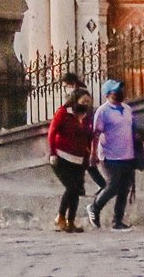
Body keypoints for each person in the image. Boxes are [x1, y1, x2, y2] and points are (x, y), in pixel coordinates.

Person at [87, 81, 138, 230]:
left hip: (127, 154)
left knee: (125, 188)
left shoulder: (127, 109)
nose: (120, 93)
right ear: (108, 94)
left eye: (121, 90)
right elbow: (96, 134)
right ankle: (95, 207)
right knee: (113, 185)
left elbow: (131, 129)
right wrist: (93, 153)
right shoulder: (103, 111)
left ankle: (118, 221)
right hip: (110, 155)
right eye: (116, 91)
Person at [46, 82, 95, 231]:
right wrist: (52, 153)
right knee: (71, 187)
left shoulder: (87, 117)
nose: (86, 104)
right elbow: (52, 132)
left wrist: (89, 155)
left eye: (88, 102)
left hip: (79, 158)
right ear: (76, 100)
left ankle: (70, 221)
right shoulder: (64, 112)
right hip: (62, 157)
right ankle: (60, 217)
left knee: (77, 190)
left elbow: (89, 137)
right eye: (83, 101)